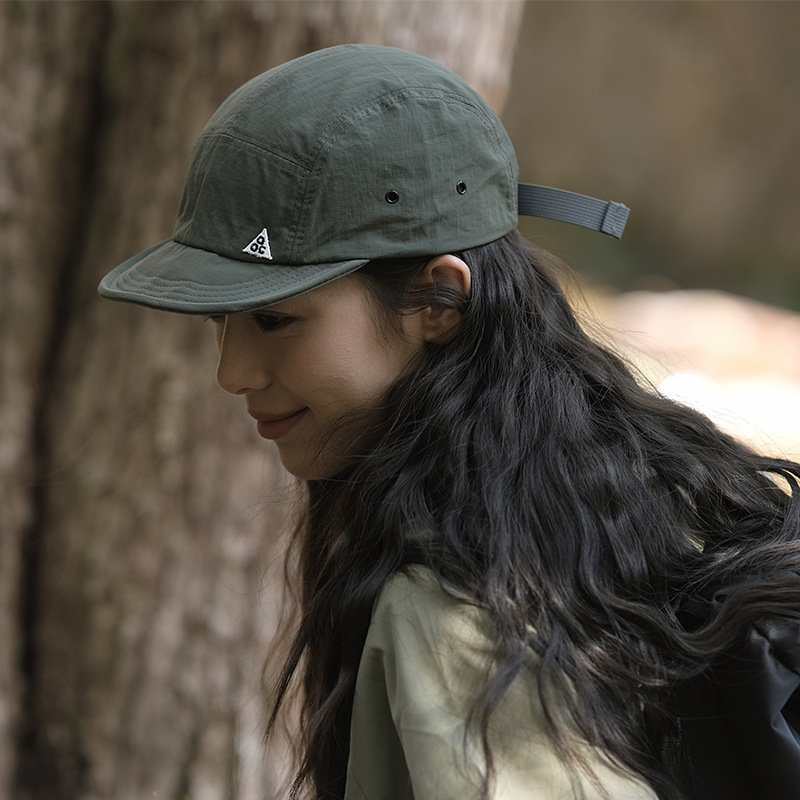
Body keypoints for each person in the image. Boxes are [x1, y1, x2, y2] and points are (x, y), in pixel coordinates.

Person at [99, 45, 800, 800]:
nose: (231, 373)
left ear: (439, 301)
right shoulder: (647, 473)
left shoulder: (458, 597)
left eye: (274, 320)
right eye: (221, 320)